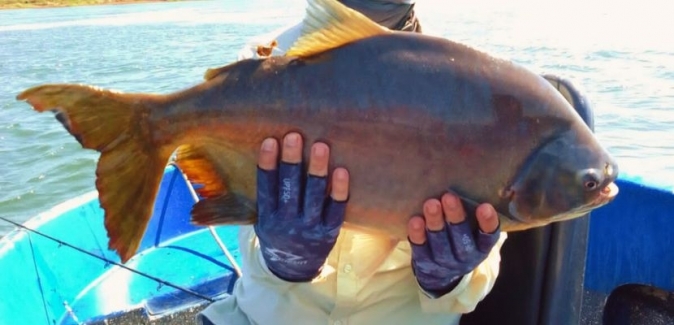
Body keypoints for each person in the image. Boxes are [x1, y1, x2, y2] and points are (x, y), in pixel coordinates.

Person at [198, 1, 508, 324]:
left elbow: (490, 238)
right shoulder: (264, 61)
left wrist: (451, 278)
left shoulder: (470, 84)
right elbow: (242, 203)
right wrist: (278, 258)